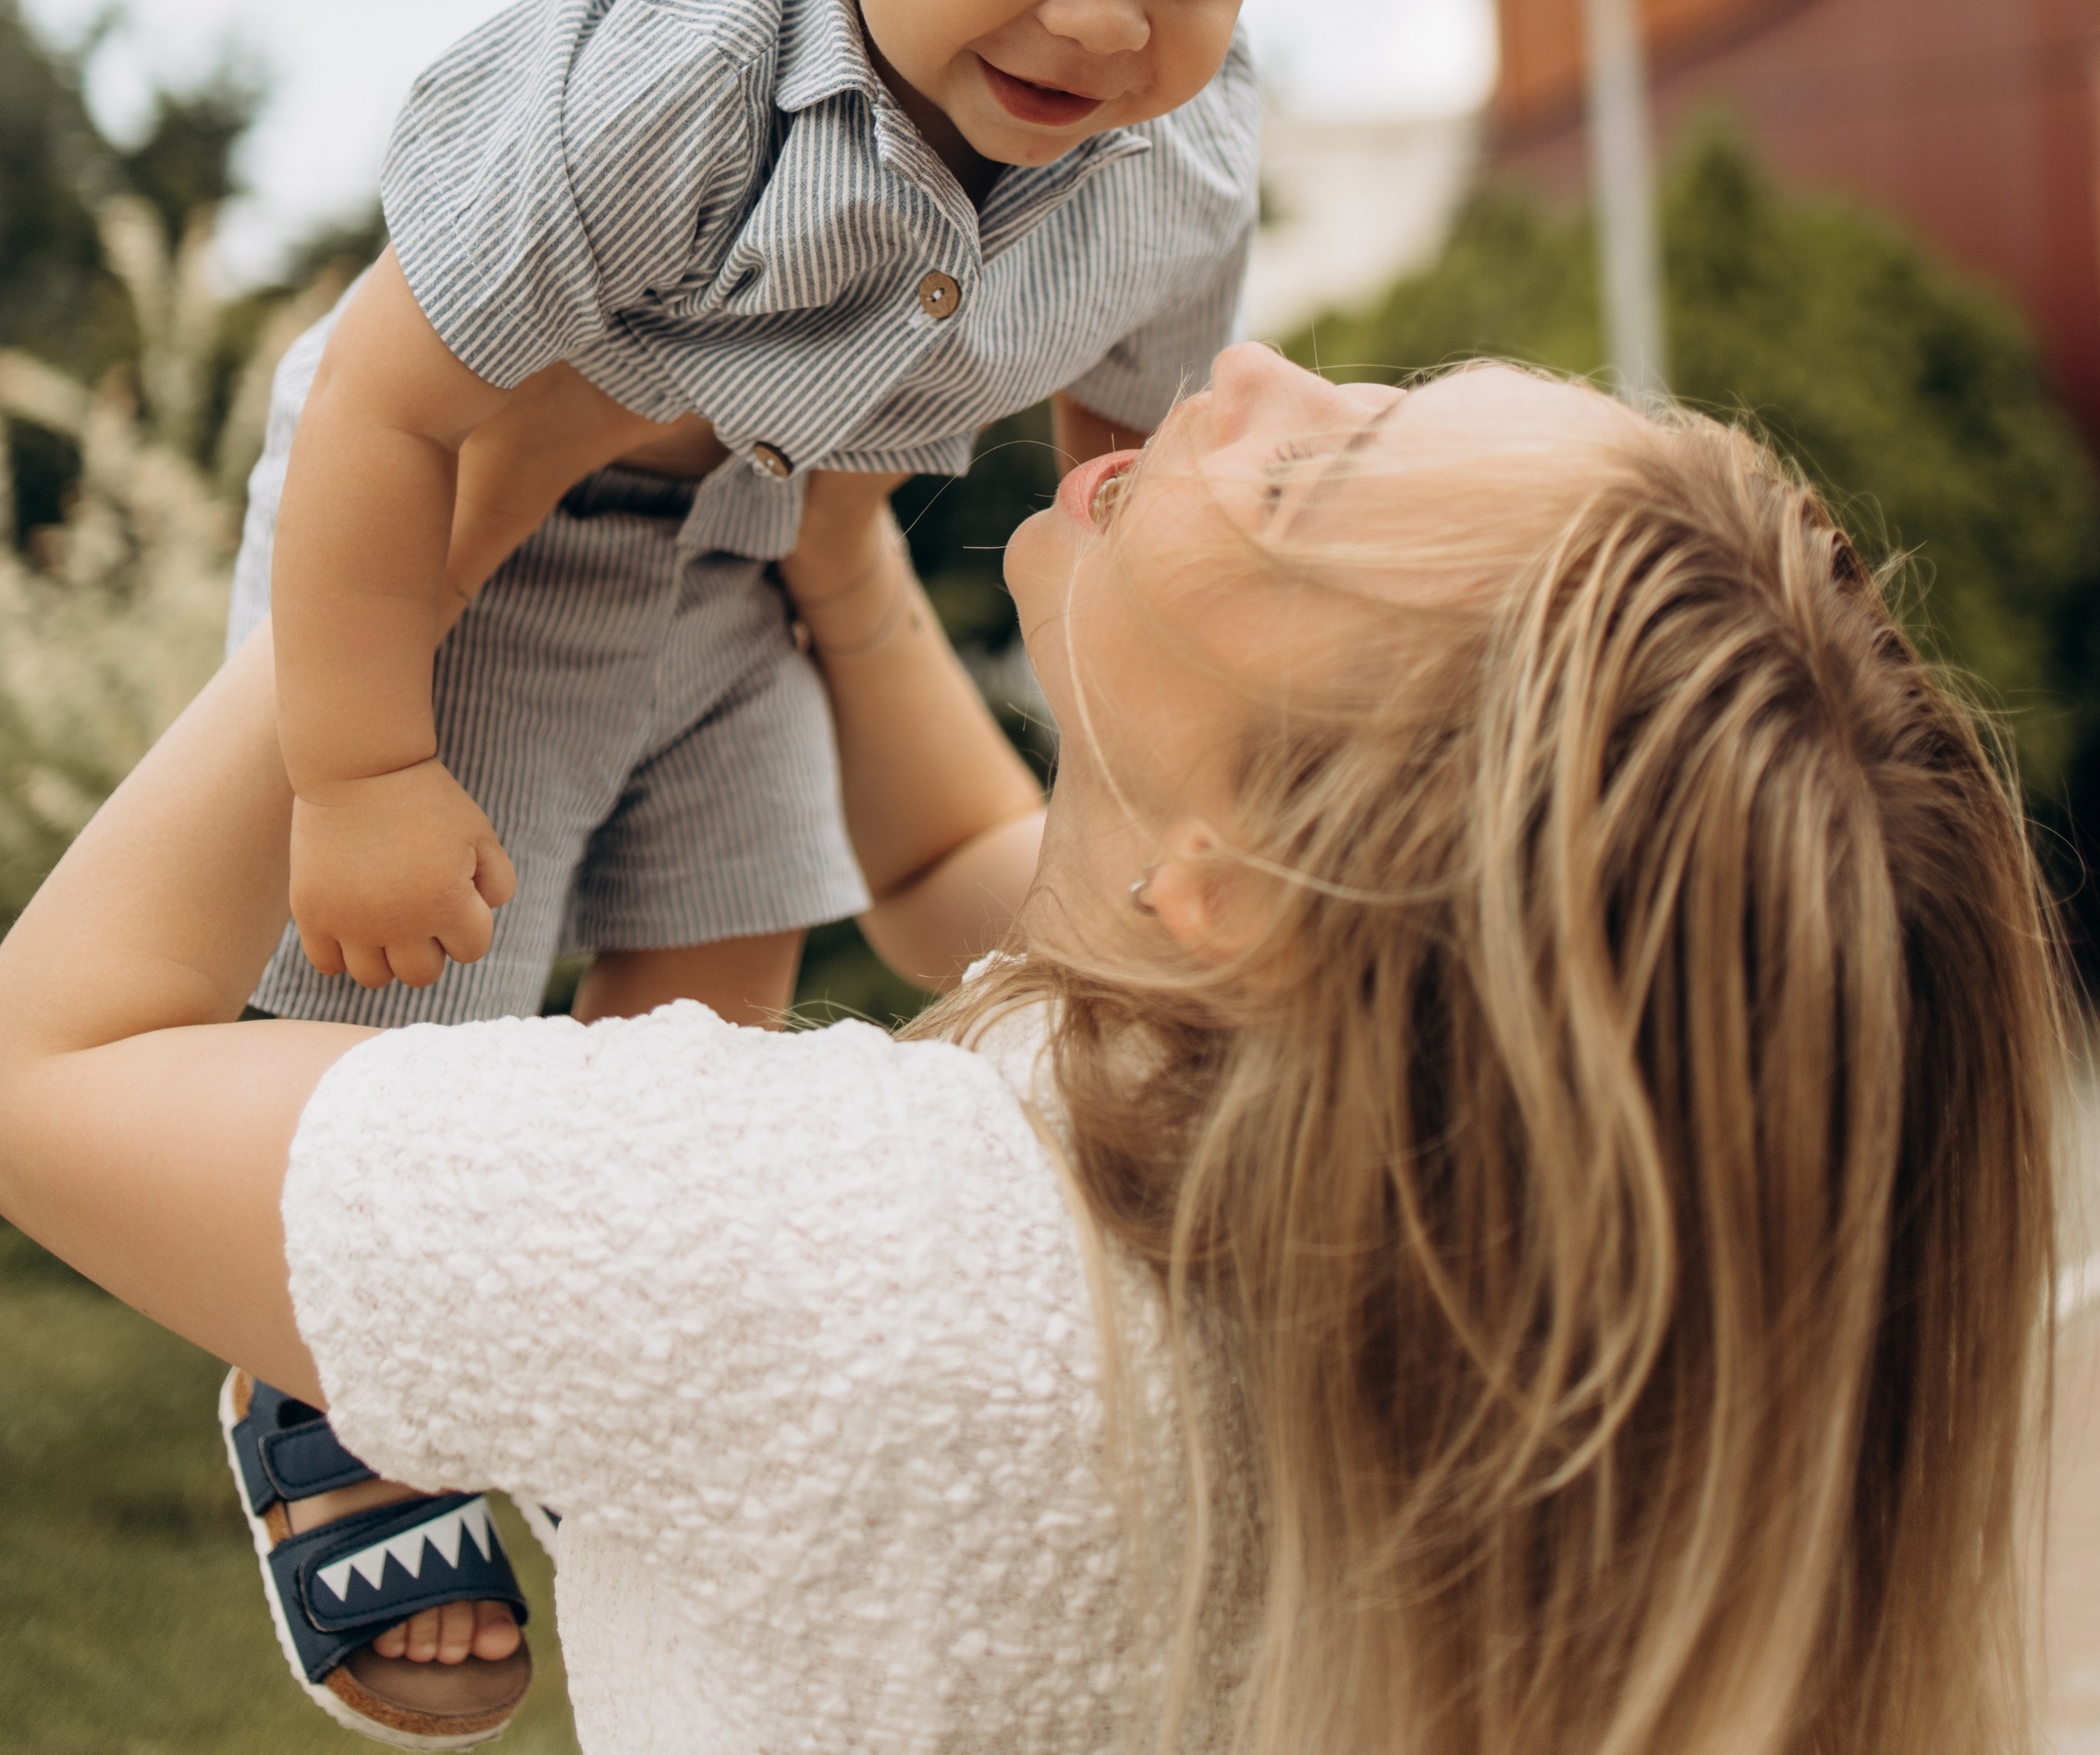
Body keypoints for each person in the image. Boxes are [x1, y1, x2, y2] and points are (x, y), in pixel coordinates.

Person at [0, 345, 2066, 1755]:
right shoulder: (1410, 1256)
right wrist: (834, 560)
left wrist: (446, 512)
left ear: (1238, 872)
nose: (1237, 370)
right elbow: (955, 868)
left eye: (1309, 467)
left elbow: (50, 1073)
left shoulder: (807, 1247)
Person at [200, 0, 1323, 1728]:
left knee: (699, 1016)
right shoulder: (677, 85)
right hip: (485, 545)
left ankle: (609, 1356)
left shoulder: (1174, 167)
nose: (1106, 24)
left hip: (757, 575)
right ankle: (304, 1377)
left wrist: (1148, 729)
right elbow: (386, 412)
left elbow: (1133, 451)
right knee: (415, 973)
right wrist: (356, 764)